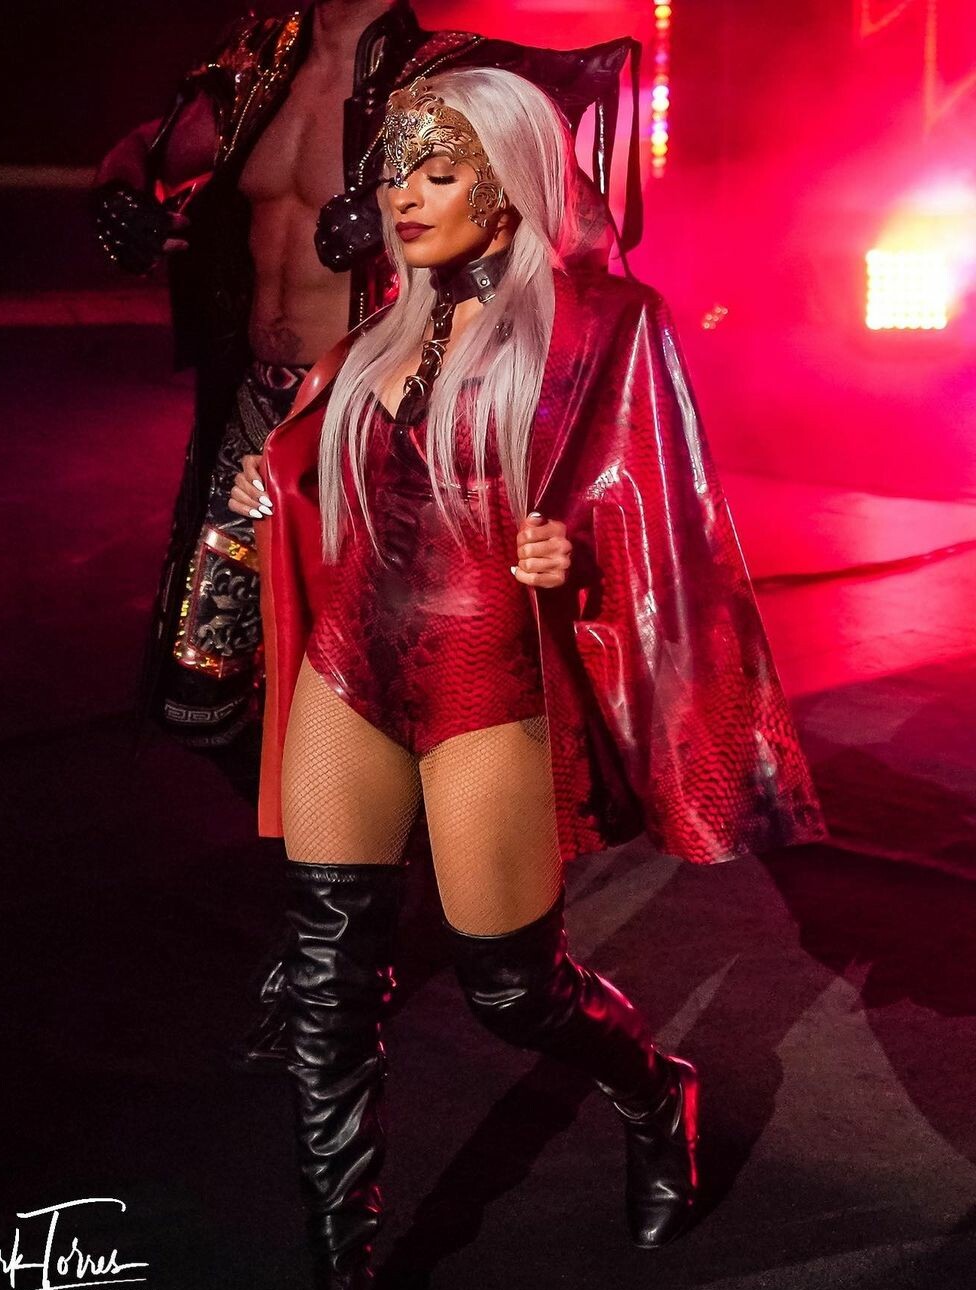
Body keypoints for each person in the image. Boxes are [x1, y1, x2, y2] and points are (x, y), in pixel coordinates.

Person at [229, 69, 826, 1290]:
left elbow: (660, 505)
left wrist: (575, 551)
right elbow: (332, 479)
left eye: (438, 173)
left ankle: (655, 1089)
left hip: (483, 673)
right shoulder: (384, 323)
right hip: (350, 661)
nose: (404, 198)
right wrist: (274, 488)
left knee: (509, 988)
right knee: (328, 979)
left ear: (506, 188)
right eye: (396, 172)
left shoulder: (607, 322)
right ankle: (344, 1277)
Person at [93, 0, 645, 1067]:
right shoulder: (256, 65)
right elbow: (147, 151)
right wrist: (118, 194)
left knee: (385, 687)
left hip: (383, 436)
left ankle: (346, 921)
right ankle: (355, 865)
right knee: (195, 691)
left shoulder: (447, 73)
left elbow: (579, 229)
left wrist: (411, 252)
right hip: (259, 423)